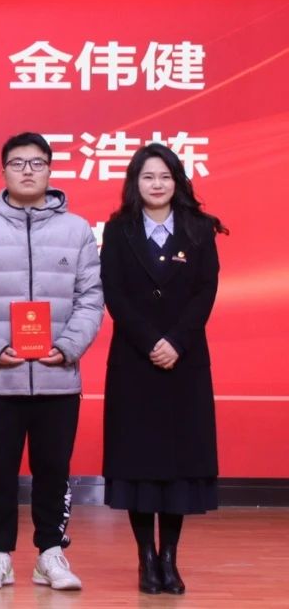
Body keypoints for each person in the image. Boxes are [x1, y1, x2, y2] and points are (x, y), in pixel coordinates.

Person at [0, 132, 103, 592]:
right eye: (18, 163)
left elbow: (91, 297)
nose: (28, 171)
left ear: (50, 170)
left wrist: (68, 346)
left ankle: (50, 554)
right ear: (3, 172)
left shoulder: (77, 230)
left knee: (54, 469)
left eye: (37, 163)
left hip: (58, 376)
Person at [100, 143, 226, 595]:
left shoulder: (199, 229)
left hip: (184, 361)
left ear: (177, 181)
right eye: (148, 176)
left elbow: (205, 291)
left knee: (176, 465)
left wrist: (175, 341)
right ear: (134, 183)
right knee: (139, 464)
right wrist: (151, 341)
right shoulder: (118, 230)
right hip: (135, 361)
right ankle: (145, 558)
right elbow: (114, 292)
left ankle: (169, 558)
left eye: (165, 176)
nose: (157, 184)